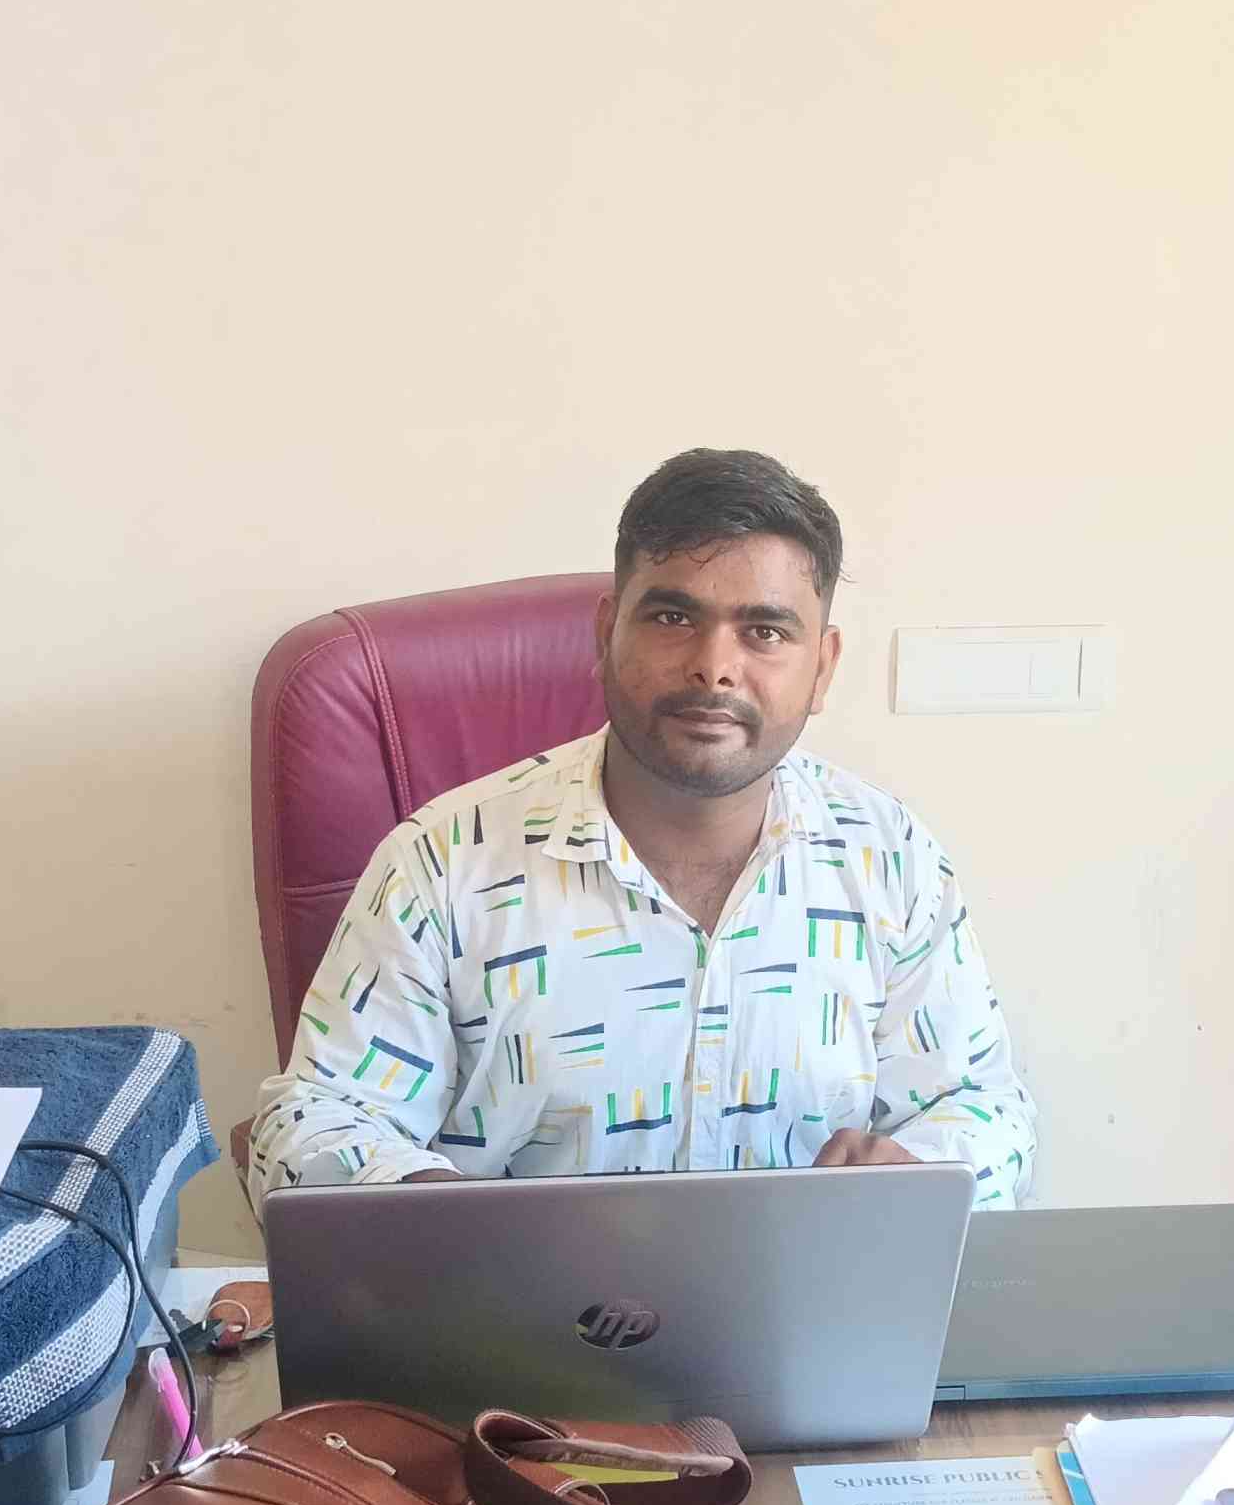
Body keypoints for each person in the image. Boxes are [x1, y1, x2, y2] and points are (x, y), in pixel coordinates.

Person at [248, 448, 1035, 1206]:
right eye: (671, 616)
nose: (713, 667)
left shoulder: (888, 856)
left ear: (821, 667)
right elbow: (314, 1119)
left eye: (764, 631)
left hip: (807, 1293)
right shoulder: (445, 861)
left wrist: (920, 1169)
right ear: (605, 635)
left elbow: (984, 1108)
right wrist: (429, 1212)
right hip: (511, 1293)